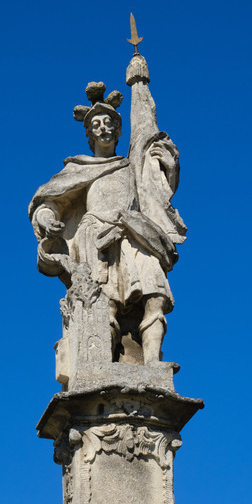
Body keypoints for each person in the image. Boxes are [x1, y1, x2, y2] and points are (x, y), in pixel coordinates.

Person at [29, 58, 186, 365]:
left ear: (117, 129)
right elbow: (48, 201)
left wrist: (139, 85)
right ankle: (101, 362)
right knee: (105, 304)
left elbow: (149, 146)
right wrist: (47, 220)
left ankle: (153, 362)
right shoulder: (79, 169)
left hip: (136, 233)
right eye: (96, 125)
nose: (103, 128)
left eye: (110, 123)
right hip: (96, 239)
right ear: (88, 133)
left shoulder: (131, 166)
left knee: (155, 297)